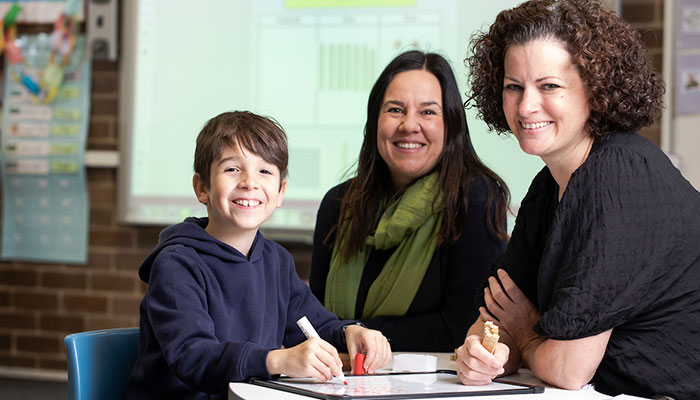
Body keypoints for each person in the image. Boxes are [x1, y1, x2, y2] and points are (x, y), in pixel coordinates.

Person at [455, 1, 700, 399]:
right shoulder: (547, 187)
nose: (525, 106)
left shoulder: (617, 178)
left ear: (596, 88)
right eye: (513, 87)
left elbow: (569, 369)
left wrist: (526, 338)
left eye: (548, 86)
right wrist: (487, 352)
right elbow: (499, 311)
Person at [126, 111, 392, 399]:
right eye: (232, 169)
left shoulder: (277, 261)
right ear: (202, 187)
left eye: (264, 171)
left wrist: (349, 332)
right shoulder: (177, 264)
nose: (249, 182)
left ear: (280, 192)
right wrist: (278, 360)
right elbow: (193, 356)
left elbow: (314, 324)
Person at [310, 50, 510, 352]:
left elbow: (462, 328)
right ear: (375, 120)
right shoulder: (338, 204)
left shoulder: (475, 199)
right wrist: (345, 333)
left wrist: (353, 332)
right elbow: (314, 322)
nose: (409, 125)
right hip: (342, 382)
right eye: (395, 110)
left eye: (428, 112)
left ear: (451, 124)